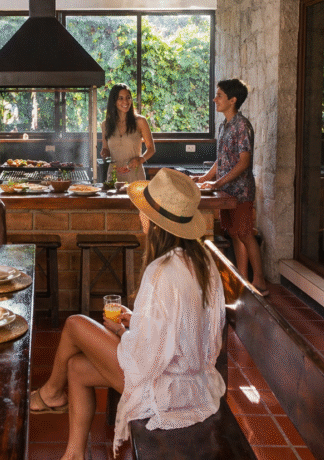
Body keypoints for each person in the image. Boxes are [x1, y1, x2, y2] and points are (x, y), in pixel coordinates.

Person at [29, 169, 226, 460]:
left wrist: (123, 333)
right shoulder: (203, 261)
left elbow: (147, 357)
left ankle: (51, 394)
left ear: (155, 223)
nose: (140, 215)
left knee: (74, 324)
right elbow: (181, 326)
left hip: (166, 386)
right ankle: (73, 454)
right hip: (191, 378)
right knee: (77, 368)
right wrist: (136, 320)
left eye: (143, 211)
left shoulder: (160, 272)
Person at [195, 79, 269, 295]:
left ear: (232, 100)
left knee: (245, 233)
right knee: (235, 235)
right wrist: (204, 178)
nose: (214, 99)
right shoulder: (224, 125)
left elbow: (244, 162)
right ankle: (242, 279)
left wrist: (217, 182)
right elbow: (222, 159)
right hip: (226, 192)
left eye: (219, 95)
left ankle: (260, 281)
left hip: (241, 192)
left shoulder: (242, 126)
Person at [101, 83, 155, 183]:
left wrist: (140, 160)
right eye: (120, 98)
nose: (125, 101)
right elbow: (106, 149)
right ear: (114, 101)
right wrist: (105, 153)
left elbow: (151, 149)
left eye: (128, 97)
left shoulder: (140, 121)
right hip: (114, 176)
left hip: (135, 175)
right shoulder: (105, 124)